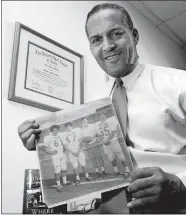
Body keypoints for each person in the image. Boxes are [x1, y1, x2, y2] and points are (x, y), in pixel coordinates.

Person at [18, 2, 186, 213]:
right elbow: (85, 164)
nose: (107, 46)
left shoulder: (180, 83)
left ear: (134, 36)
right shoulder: (94, 104)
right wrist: (45, 146)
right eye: (96, 39)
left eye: (116, 34)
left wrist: (180, 185)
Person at [39, 125, 72, 192]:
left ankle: (65, 181)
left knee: (64, 169)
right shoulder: (48, 137)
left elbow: (64, 142)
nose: (56, 131)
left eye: (57, 130)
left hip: (62, 155)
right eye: (54, 130)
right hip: (55, 157)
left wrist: (64, 149)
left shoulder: (60, 135)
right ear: (51, 131)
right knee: (57, 171)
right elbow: (42, 147)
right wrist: (50, 152)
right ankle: (59, 185)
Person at [96, 111, 129, 177]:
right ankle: (116, 171)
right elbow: (99, 134)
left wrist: (107, 140)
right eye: (100, 117)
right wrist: (103, 141)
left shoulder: (111, 121)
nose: (101, 117)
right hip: (105, 143)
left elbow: (114, 131)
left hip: (113, 141)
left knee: (120, 156)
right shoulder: (98, 124)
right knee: (111, 158)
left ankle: (127, 171)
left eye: (102, 116)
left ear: (105, 115)